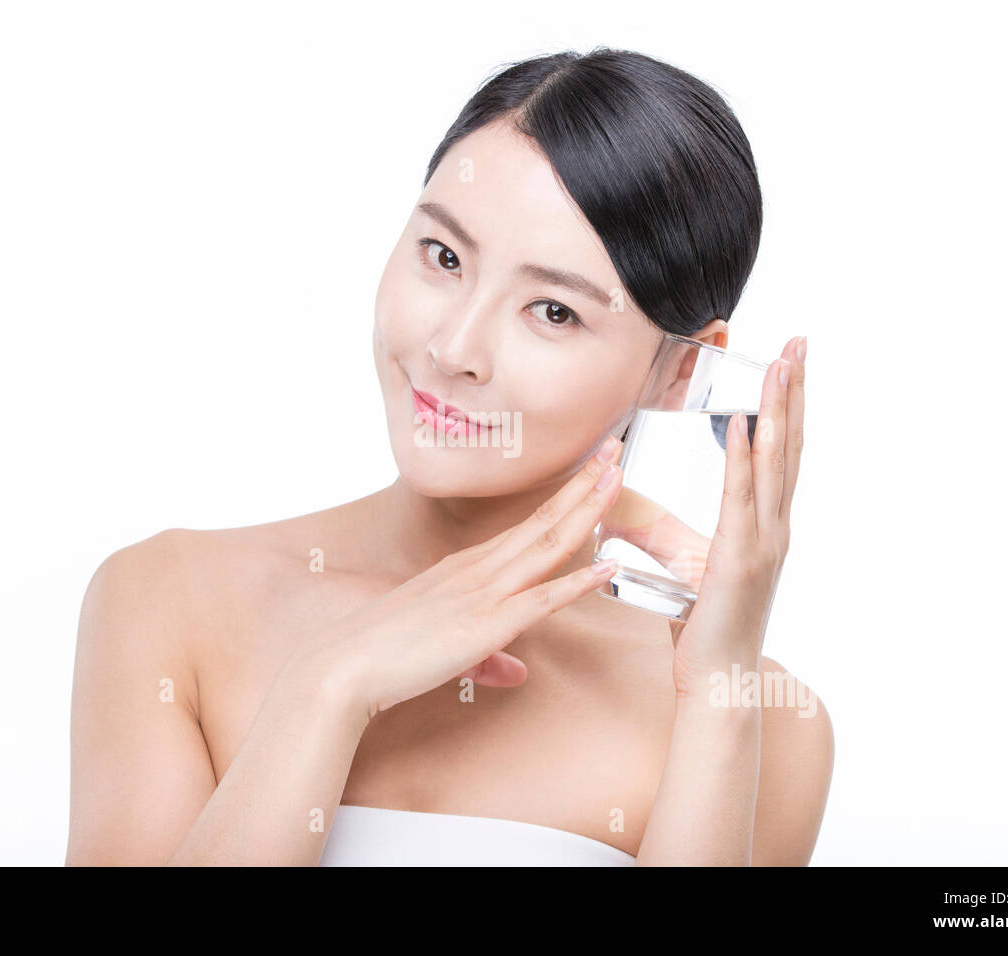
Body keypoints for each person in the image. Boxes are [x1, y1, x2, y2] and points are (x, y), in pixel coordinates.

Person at [65, 46, 832, 866]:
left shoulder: (762, 720)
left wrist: (716, 695)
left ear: (683, 370)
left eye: (552, 311)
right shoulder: (169, 601)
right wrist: (328, 688)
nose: (455, 346)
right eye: (444, 257)